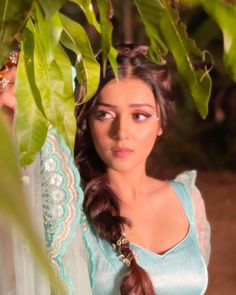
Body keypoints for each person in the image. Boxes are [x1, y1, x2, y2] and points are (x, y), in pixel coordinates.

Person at [0, 45, 211, 295]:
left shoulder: (188, 200)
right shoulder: (65, 209)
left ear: (161, 123)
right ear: (87, 123)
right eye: (105, 114)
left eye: (139, 115)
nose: (121, 132)